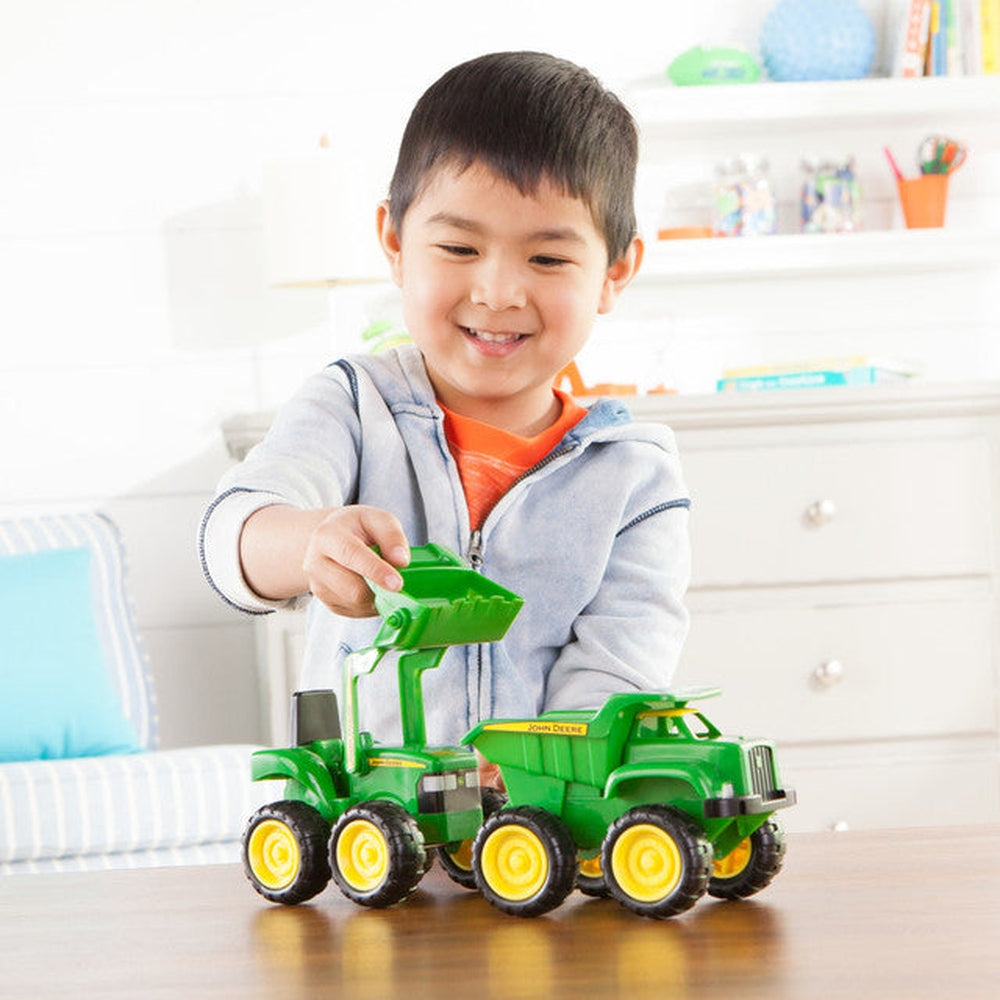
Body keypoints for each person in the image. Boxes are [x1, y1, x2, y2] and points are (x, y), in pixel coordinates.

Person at [199, 51, 691, 752]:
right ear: (396, 243)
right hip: (368, 823)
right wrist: (311, 542)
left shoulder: (636, 480)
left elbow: (622, 663)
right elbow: (232, 534)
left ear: (615, 272)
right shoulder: (352, 407)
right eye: (460, 247)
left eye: (548, 259)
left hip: (537, 834)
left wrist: (538, 770)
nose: (498, 292)